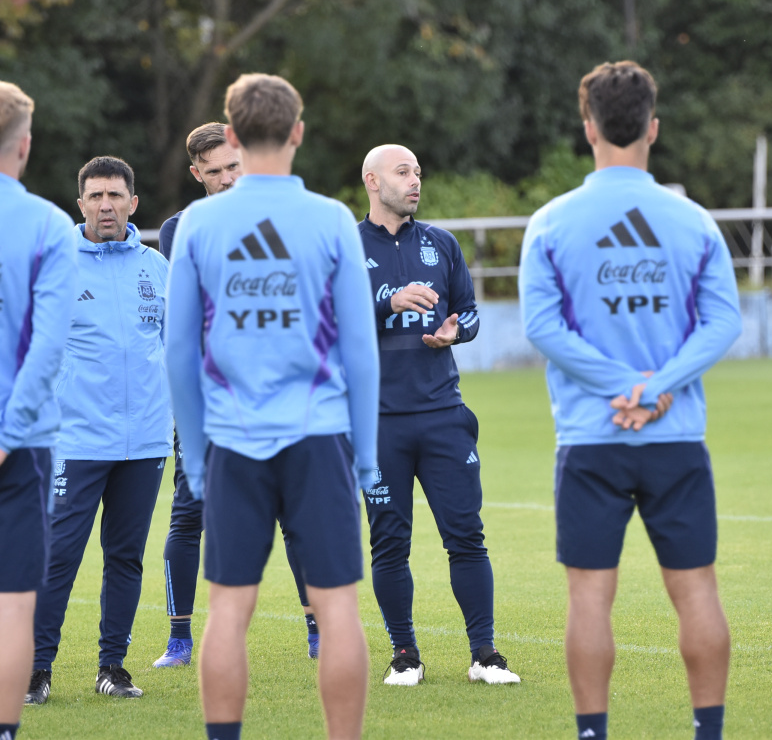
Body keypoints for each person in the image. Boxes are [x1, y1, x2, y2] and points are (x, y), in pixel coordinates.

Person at [519, 61, 742, 740]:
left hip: (591, 438)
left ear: (588, 128)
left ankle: (593, 733)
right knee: (697, 590)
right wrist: (656, 387)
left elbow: (542, 327)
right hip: (674, 438)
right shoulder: (693, 221)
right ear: (653, 126)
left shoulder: (552, 222)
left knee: (590, 597)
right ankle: (709, 731)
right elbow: (723, 322)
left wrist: (624, 389)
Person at [166, 73, 378, 740]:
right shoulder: (331, 219)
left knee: (228, 610)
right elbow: (360, 350)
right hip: (319, 435)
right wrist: (367, 456)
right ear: (298, 132)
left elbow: (178, 355)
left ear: (231, 136)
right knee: (337, 607)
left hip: (232, 438)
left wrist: (197, 457)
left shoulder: (199, 221)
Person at [153, 123, 318, 669]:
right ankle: (179, 639)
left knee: (297, 515)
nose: (226, 179)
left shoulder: (290, 219)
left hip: (282, 394)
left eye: (233, 167)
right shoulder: (183, 228)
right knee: (189, 514)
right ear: (196, 174)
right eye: (215, 171)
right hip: (211, 400)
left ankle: (317, 627)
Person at [358, 144, 521, 687]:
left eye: (418, 173)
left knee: (467, 536)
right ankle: (405, 655)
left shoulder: (442, 244)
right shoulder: (344, 248)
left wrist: (456, 331)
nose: (414, 181)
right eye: (403, 172)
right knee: (389, 542)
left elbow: (468, 313)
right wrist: (387, 304)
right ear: (372, 182)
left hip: (443, 414)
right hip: (379, 422)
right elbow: (327, 323)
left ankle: (485, 654)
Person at [25, 156, 173, 704]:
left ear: (134, 203)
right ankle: (36, 669)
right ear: (80, 203)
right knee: (58, 555)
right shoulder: (55, 264)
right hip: (77, 440)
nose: (106, 205)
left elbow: (178, 348)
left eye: (116, 195)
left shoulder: (156, 267)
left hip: (148, 441)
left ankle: (112, 667)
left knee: (126, 557)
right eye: (96, 196)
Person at [0, 81, 76, 738]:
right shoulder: (50, 224)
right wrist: (10, 430)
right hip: (18, 444)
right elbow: (48, 344)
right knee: (13, 606)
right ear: (24, 145)